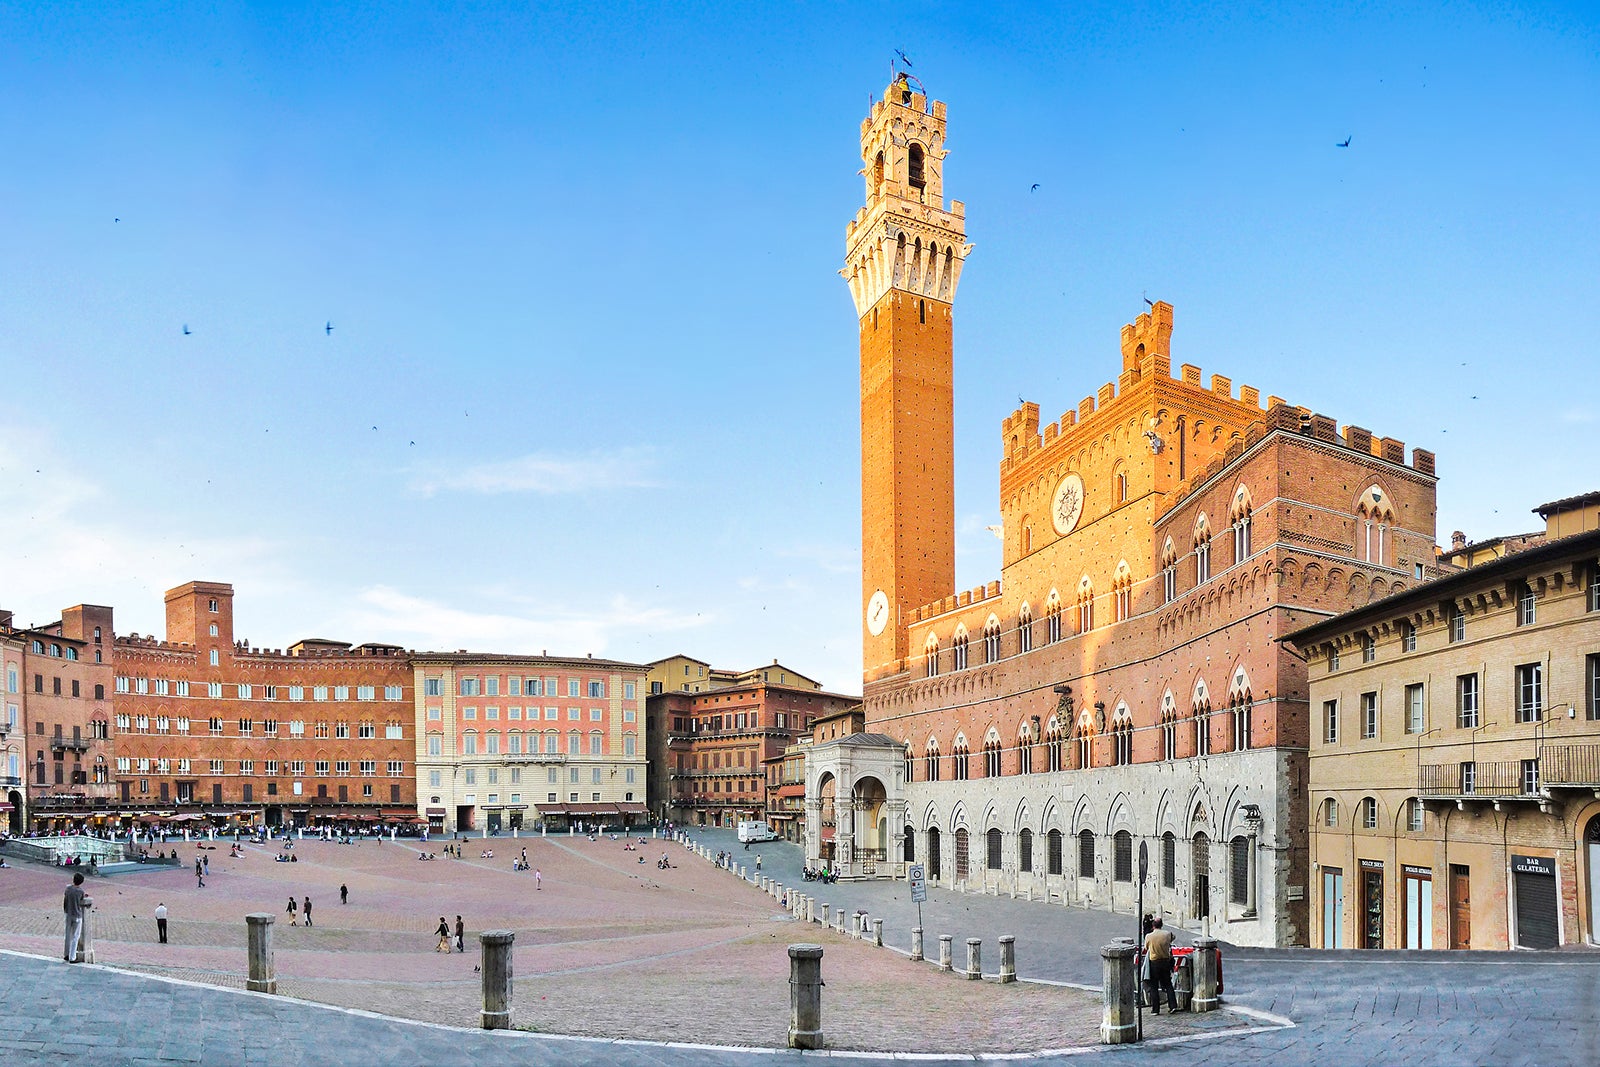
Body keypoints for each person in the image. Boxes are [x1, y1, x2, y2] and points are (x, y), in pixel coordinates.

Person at [1143, 917, 1177, 1015]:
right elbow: (1173, 937)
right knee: (1168, 984)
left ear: (1153, 926)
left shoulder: (1149, 936)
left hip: (1154, 963)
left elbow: (1146, 947)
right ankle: (1173, 1005)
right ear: (1161, 925)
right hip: (1165, 962)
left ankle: (1155, 1009)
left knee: (1154, 986)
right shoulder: (1167, 934)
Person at [63, 871, 91, 962]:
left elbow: (65, 901)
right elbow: (81, 899)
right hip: (77, 915)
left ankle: (66, 954)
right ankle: (72, 957)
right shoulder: (80, 891)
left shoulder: (68, 889)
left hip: (68, 913)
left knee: (68, 935)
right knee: (76, 936)